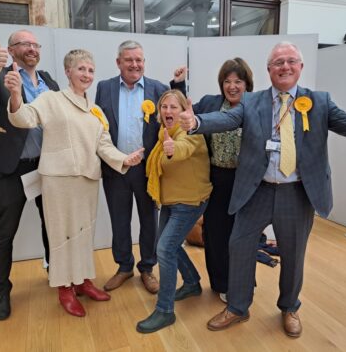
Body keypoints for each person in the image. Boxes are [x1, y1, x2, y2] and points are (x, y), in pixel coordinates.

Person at [179, 41, 346, 338]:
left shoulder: (319, 102)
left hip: (296, 192)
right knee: (239, 247)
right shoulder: (252, 102)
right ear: (269, 70)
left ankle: (289, 307)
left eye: (291, 61)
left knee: (293, 253)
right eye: (278, 62)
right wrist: (197, 121)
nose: (285, 66)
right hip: (257, 190)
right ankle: (238, 307)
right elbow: (226, 119)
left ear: (300, 68)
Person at [5, 49, 144, 317]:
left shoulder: (95, 109)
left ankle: (81, 281)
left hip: (87, 180)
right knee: (61, 236)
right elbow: (24, 119)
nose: (87, 74)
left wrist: (126, 159)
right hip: (58, 179)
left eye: (91, 70)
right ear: (68, 72)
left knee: (82, 235)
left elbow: (104, 145)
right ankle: (64, 288)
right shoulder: (51, 99)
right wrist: (15, 95)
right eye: (81, 69)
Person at [0, 30, 59, 321]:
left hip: (47, 166)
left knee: (53, 225)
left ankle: (56, 273)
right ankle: (1, 291)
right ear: (10, 49)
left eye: (35, 44)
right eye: (25, 44)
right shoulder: (4, 76)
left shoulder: (49, 80)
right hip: (12, 167)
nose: (32, 48)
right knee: (5, 231)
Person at [94, 40, 186, 294]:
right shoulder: (104, 88)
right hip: (116, 167)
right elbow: (97, 125)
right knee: (119, 220)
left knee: (149, 221)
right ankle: (124, 266)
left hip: (148, 169)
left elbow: (176, 111)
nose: (135, 64)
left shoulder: (158, 88)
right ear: (118, 63)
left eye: (139, 60)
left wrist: (179, 85)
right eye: (129, 60)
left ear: (144, 62)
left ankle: (147, 268)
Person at [136, 90, 212, 333]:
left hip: (189, 201)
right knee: (166, 244)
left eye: (174, 107)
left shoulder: (190, 132)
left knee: (165, 249)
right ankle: (191, 282)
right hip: (171, 200)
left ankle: (165, 311)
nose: (168, 111)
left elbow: (182, 149)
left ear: (184, 111)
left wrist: (170, 150)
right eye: (164, 107)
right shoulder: (163, 131)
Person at [192, 58, 254, 303]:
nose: (232, 86)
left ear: (247, 83)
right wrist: (177, 83)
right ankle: (220, 282)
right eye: (227, 81)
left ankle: (242, 283)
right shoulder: (211, 103)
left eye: (238, 81)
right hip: (217, 178)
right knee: (216, 233)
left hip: (246, 181)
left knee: (243, 236)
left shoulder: (256, 106)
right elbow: (184, 110)